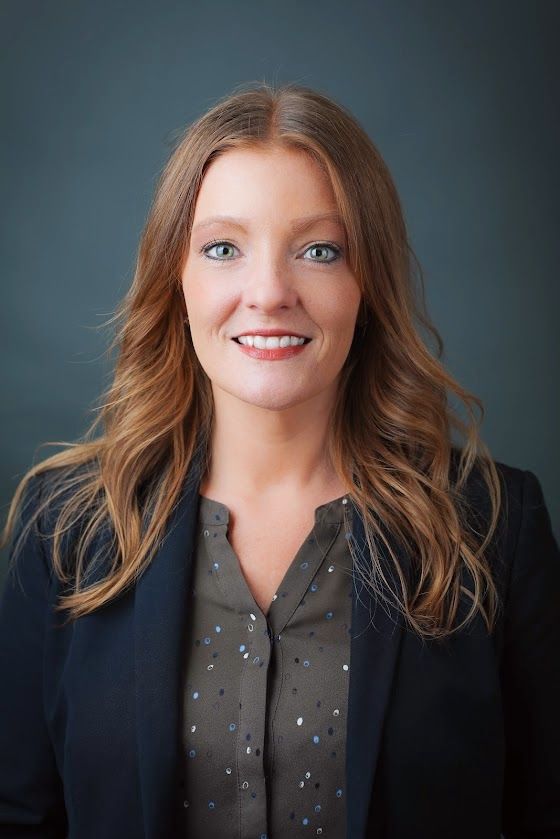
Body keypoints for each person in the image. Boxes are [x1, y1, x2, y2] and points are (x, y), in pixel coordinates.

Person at [0, 82, 558, 839]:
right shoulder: (62, 529)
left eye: (319, 250)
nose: (268, 292)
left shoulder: (495, 528)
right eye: (223, 248)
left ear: (368, 283)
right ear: (178, 278)